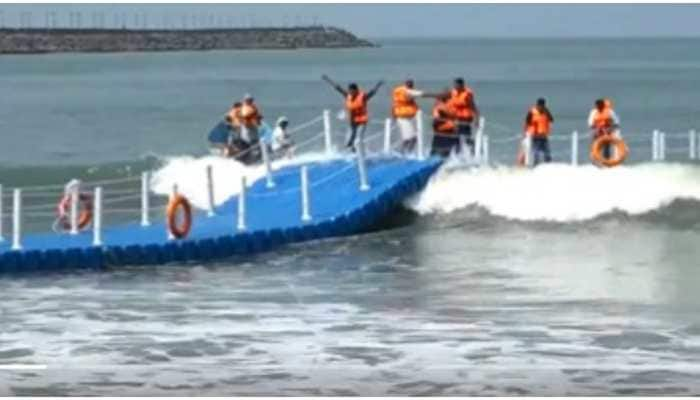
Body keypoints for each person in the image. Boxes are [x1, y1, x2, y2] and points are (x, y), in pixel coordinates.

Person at [322, 74, 384, 152]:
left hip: (362, 120)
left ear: (356, 90)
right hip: (353, 120)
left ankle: (357, 149)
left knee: (358, 136)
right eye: (349, 90)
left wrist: (378, 85)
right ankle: (352, 149)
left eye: (352, 91)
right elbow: (338, 88)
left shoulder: (363, 97)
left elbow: (372, 92)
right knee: (353, 134)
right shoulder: (348, 96)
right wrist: (328, 80)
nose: (351, 92)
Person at [448, 78, 480, 154]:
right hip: (456, 117)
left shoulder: (467, 95)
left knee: (465, 136)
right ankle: (457, 152)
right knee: (455, 136)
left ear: (462, 85)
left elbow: (473, 107)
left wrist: (477, 119)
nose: (455, 86)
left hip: (465, 118)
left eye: (457, 85)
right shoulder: (453, 92)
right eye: (455, 85)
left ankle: (473, 150)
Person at [392, 79, 425, 154]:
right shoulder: (406, 91)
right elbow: (424, 94)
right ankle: (403, 153)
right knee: (410, 138)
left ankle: (405, 152)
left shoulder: (404, 92)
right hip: (403, 118)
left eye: (411, 84)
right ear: (406, 84)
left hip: (408, 118)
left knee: (412, 138)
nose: (411, 85)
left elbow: (394, 106)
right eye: (409, 84)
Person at [524, 98, 554, 166]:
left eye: (543, 106)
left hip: (544, 136)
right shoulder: (532, 112)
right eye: (540, 105)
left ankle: (548, 167)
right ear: (537, 105)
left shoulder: (546, 111)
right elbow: (527, 123)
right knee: (536, 154)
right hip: (535, 136)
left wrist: (547, 112)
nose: (541, 107)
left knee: (547, 153)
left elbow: (551, 119)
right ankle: (535, 167)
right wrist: (526, 133)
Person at [430, 92, 459, 157]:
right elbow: (436, 117)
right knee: (437, 146)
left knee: (451, 146)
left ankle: (449, 157)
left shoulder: (449, 105)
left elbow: (453, 115)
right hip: (442, 129)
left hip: (449, 129)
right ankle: (434, 157)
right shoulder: (439, 106)